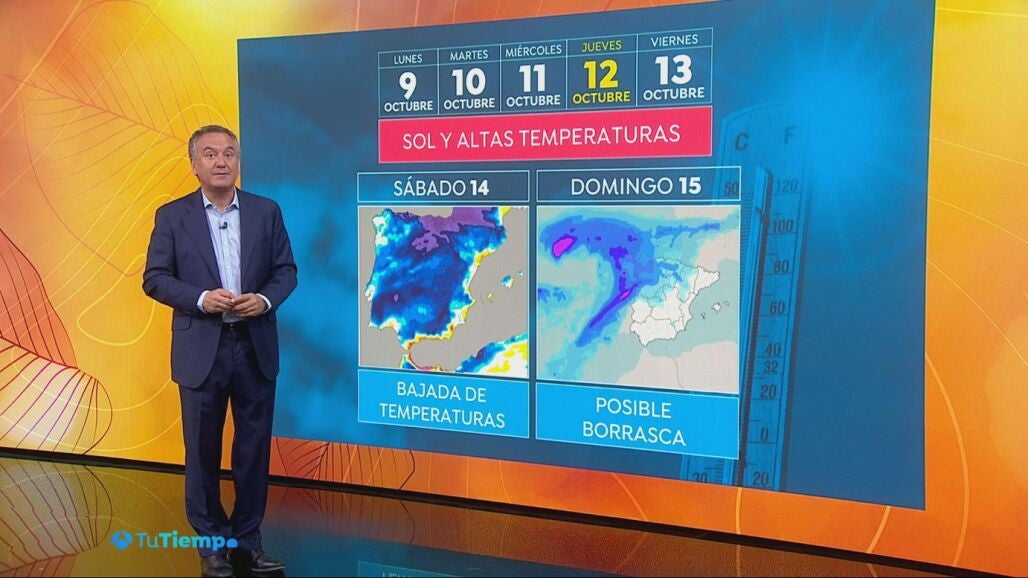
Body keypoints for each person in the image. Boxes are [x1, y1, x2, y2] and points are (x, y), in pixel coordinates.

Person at [143, 125, 297, 577]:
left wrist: (264, 300)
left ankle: (248, 542)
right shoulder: (172, 216)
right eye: (210, 154)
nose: (221, 161)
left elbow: (286, 271)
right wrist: (200, 298)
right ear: (194, 164)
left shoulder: (266, 211)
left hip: (253, 345)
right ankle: (212, 546)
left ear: (238, 161)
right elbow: (155, 278)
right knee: (202, 451)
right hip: (201, 348)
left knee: (253, 450)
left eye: (229, 153)